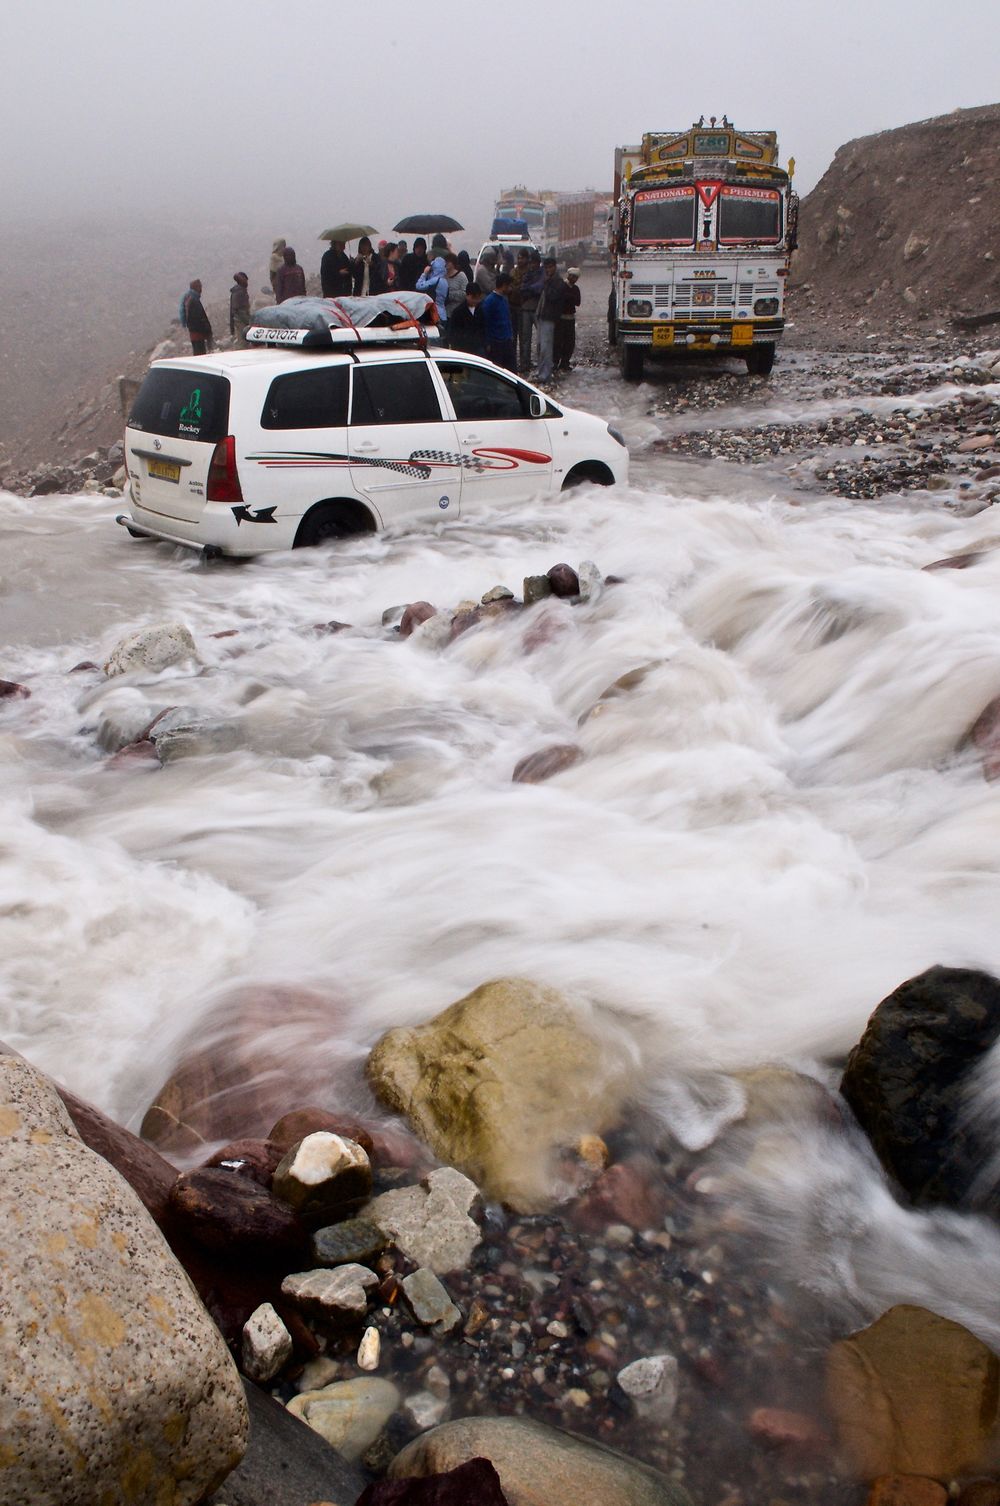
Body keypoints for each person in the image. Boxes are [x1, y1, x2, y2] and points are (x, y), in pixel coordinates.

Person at [535, 257, 568, 383]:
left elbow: (552, 297)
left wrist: (546, 283)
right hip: (542, 316)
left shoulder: (558, 282)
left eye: (549, 267)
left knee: (546, 348)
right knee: (540, 347)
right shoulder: (547, 281)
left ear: (554, 267)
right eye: (546, 268)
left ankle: (545, 375)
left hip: (550, 318)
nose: (548, 270)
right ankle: (541, 372)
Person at [482, 272, 515, 372]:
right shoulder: (490, 301)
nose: (510, 288)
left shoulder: (504, 299)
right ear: (504, 285)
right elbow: (485, 323)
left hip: (506, 340)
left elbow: (507, 318)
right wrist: (487, 343)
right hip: (496, 343)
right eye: (509, 286)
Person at [518, 250, 544, 373]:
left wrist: (529, 289)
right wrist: (531, 289)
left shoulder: (542, 273)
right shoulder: (528, 274)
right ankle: (525, 364)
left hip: (537, 310)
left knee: (541, 339)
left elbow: (539, 288)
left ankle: (541, 364)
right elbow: (522, 289)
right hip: (526, 309)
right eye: (531, 263)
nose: (532, 265)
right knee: (525, 339)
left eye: (534, 263)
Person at [448, 283, 488, 356]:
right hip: (464, 348)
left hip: (478, 347)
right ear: (467, 296)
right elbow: (453, 333)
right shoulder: (458, 312)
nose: (475, 301)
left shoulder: (480, 310)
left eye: (478, 298)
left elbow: (483, 327)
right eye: (473, 298)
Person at [416, 251, 449, 337]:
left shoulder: (435, 280)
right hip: (443, 314)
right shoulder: (445, 281)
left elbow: (419, 286)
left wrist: (424, 273)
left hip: (435, 314)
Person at [556, 267, 582, 371]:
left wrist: (568, 297)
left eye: (575, 277)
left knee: (569, 342)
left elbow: (577, 302)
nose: (573, 278)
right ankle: (557, 362)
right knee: (559, 342)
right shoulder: (562, 286)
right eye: (572, 276)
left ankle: (564, 363)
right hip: (561, 318)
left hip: (570, 318)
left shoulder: (575, 288)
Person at [184, 279, 212, 355]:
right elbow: (198, 319)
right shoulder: (194, 301)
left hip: (194, 333)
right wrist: (206, 330)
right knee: (200, 355)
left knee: (198, 354)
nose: (201, 289)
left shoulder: (190, 300)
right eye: (200, 287)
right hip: (198, 334)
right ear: (196, 288)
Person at [443, 252, 469, 329]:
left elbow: (465, 294)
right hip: (445, 313)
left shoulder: (461, 276)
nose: (446, 264)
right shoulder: (442, 276)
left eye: (448, 262)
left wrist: (449, 295)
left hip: (458, 312)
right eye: (445, 262)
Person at [229, 272, 250, 345]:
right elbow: (239, 310)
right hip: (241, 321)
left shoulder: (237, 291)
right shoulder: (240, 292)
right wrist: (248, 321)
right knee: (243, 342)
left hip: (239, 320)